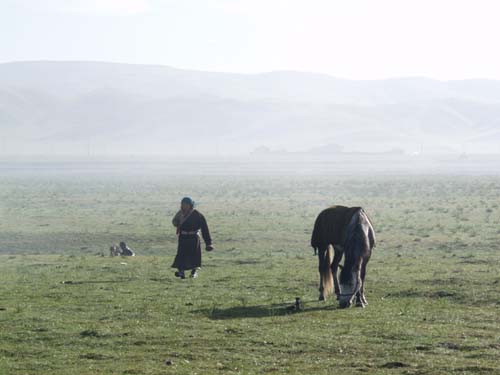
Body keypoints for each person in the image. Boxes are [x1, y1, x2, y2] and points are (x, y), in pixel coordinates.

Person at [171, 197, 213, 279]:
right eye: (183, 204)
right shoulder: (180, 214)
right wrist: (178, 223)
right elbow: (174, 222)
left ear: (190, 205)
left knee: (194, 256)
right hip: (183, 237)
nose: (184, 206)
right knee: (181, 255)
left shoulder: (197, 215)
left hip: (193, 238)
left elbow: (204, 229)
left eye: (186, 204)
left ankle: (194, 272)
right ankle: (181, 271)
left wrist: (208, 243)